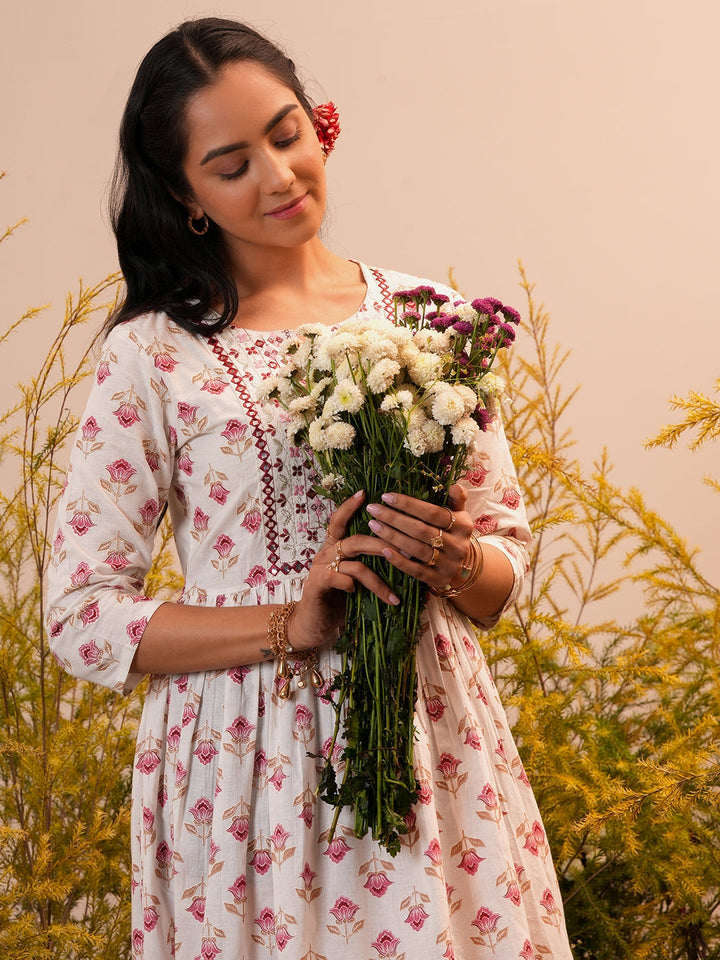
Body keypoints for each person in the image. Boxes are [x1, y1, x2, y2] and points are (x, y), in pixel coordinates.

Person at [46, 17, 574, 960]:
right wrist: (295, 623)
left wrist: (455, 560)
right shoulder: (152, 356)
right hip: (240, 773)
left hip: (430, 743)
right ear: (185, 192)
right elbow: (81, 615)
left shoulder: (432, 320)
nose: (280, 177)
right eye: (232, 162)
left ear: (320, 125)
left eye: (286, 136)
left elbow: (504, 571)